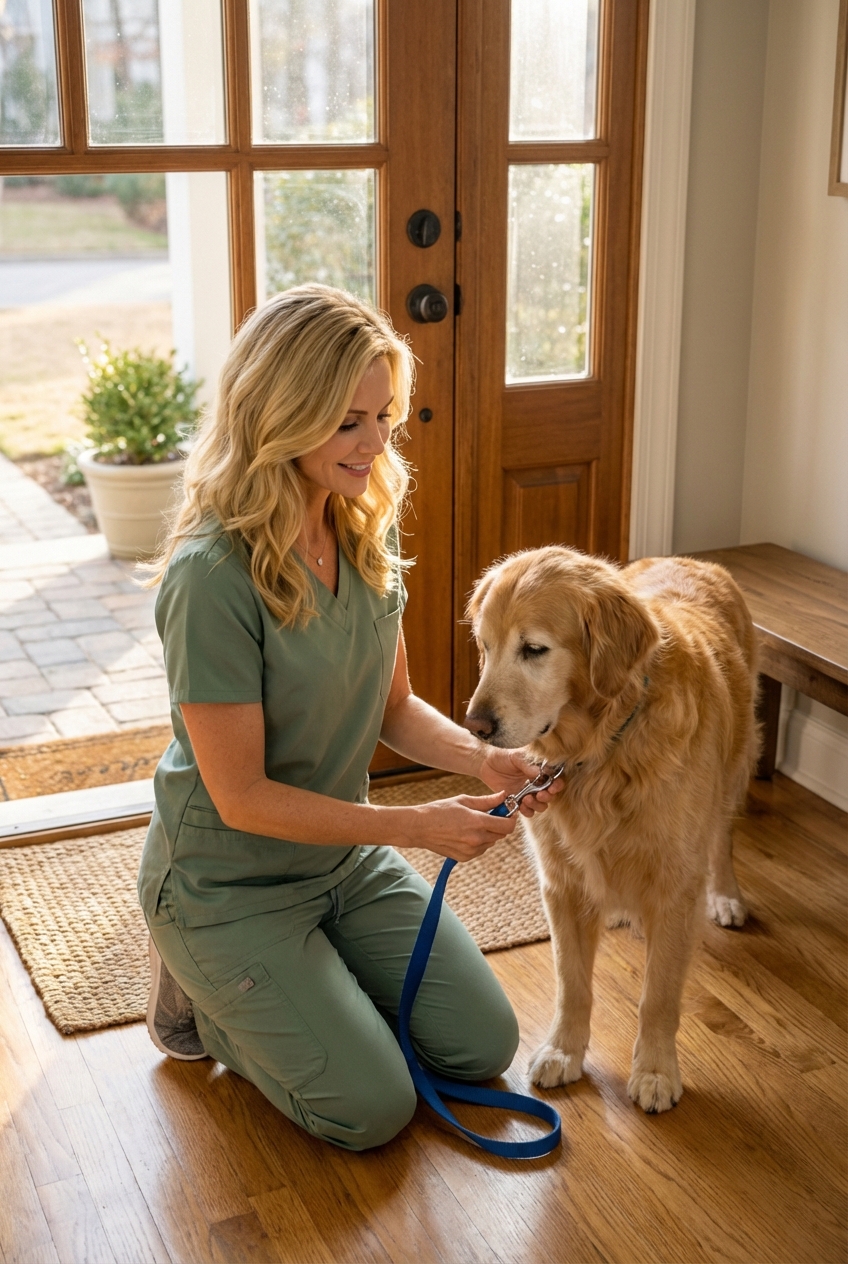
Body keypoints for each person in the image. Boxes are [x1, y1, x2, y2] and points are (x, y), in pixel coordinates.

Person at [138, 284, 562, 1152]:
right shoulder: (210, 577)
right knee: (370, 1109)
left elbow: (395, 707)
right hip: (229, 883)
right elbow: (244, 797)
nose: (375, 445)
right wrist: (415, 824)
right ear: (278, 416)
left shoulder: (361, 535)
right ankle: (204, 1004)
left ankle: (307, 995)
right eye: (348, 422)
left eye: (384, 416)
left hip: (342, 863)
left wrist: (483, 762)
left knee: (484, 1044)